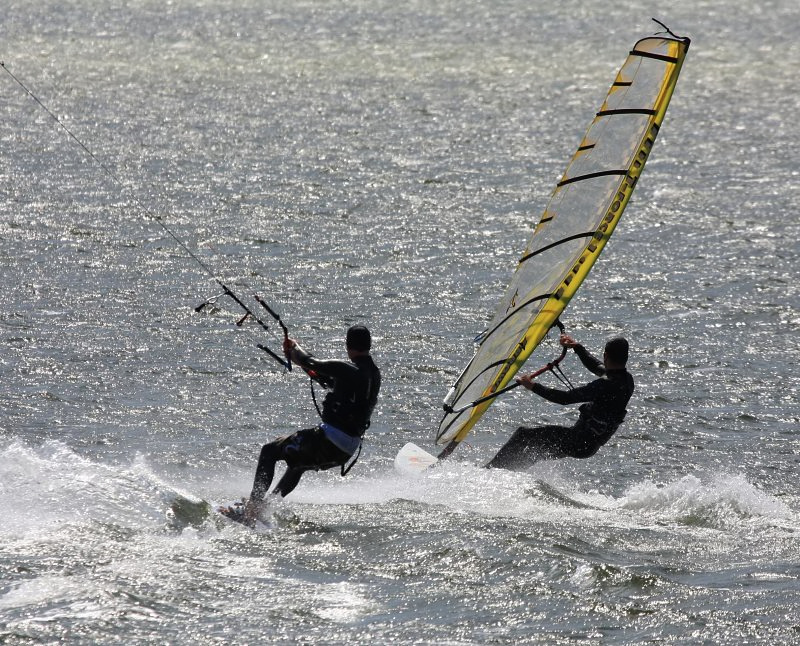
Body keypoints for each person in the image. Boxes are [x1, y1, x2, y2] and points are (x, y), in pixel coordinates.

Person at [232, 325, 381, 525]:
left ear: (348, 344)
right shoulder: (373, 373)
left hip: (329, 441)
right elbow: (330, 381)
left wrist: (294, 347)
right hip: (347, 448)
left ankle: (251, 510)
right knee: (297, 464)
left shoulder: (348, 369)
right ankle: (265, 508)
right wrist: (303, 363)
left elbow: (310, 361)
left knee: (269, 451)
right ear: (369, 345)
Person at [485, 334, 634, 470]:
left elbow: (565, 398)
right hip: (587, 446)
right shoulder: (627, 380)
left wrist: (532, 386)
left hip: (578, 441)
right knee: (534, 451)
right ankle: (508, 473)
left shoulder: (605, 385)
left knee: (523, 435)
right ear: (626, 357)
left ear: (606, 355)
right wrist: (577, 347)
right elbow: (596, 366)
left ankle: (489, 471)